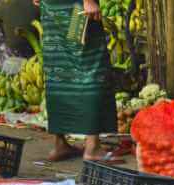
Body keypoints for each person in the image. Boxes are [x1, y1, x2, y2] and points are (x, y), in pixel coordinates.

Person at [34, 0, 116, 161]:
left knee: (58, 68)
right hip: (75, 8)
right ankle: (93, 148)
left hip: (52, 8)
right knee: (92, 67)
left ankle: (60, 144)